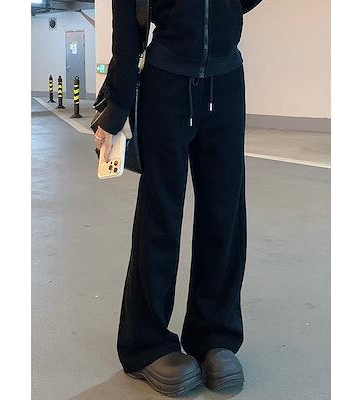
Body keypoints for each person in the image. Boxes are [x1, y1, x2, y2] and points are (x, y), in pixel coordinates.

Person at [94, 0, 263, 396]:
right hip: (165, 81)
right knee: (160, 217)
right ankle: (146, 344)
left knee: (224, 216)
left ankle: (215, 335)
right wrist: (116, 106)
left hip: (226, 80)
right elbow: (127, 20)